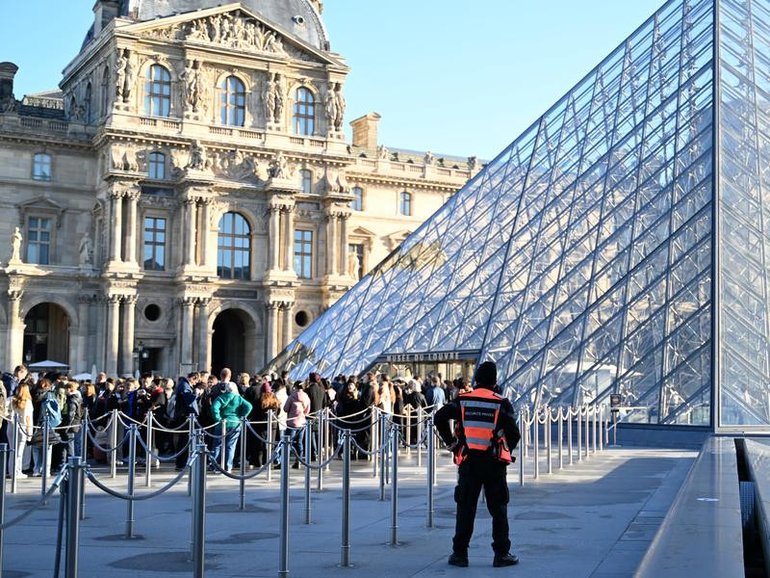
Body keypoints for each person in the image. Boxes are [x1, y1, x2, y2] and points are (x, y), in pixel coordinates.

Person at [434, 361, 521, 568]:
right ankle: (501, 554)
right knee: (498, 509)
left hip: (469, 462)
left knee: (465, 508)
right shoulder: (501, 403)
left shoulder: (463, 400)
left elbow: (439, 417)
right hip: (494, 463)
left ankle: (460, 554)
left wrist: (452, 443)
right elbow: (514, 434)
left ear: (477, 379)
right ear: (495, 381)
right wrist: (504, 447)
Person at [210, 382, 252, 473]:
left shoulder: (220, 398)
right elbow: (249, 406)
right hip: (235, 423)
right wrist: (242, 416)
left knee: (217, 445)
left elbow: (214, 408)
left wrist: (218, 418)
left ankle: (214, 466)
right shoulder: (238, 398)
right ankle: (228, 466)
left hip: (221, 424)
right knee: (231, 446)